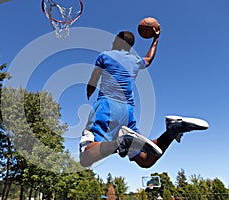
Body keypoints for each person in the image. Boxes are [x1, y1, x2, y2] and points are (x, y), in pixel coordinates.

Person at [79, 26, 209, 168]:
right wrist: (156, 39)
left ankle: (120, 142)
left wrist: (89, 90)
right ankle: (172, 130)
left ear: (117, 41)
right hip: (127, 111)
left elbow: (94, 78)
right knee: (145, 160)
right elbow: (148, 58)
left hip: (107, 106)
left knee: (85, 157)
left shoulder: (105, 55)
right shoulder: (135, 60)